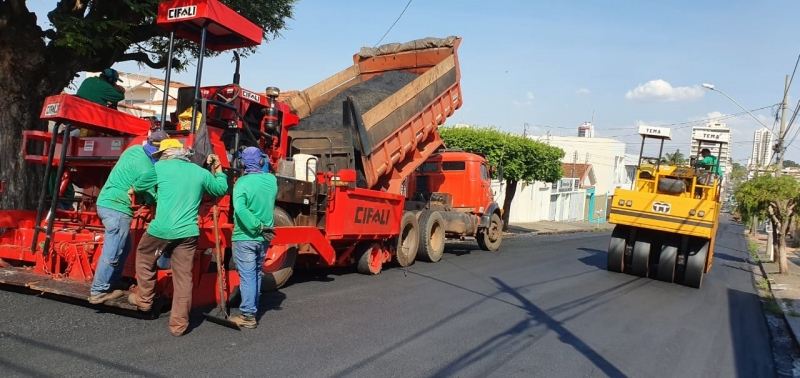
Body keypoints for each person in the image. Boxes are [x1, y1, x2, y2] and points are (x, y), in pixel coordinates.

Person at [128, 139, 228, 336]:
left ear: (166, 154)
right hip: (188, 233)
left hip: (161, 230)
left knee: (145, 257)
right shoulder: (200, 172)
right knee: (183, 278)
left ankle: (144, 300)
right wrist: (219, 169)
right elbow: (220, 189)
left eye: (161, 155)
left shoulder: (161, 168)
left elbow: (138, 186)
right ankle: (178, 326)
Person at [87, 130, 169, 304]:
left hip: (106, 201)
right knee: (114, 249)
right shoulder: (146, 167)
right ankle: (99, 290)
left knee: (124, 246)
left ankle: (113, 282)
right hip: (118, 207)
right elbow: (150, 196)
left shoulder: (133, 151)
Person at [230, 147, 278, 329]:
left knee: (248, 275)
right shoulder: (271, 181)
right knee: (256, 272)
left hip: (246, 236)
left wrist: (255, 226)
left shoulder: (241, 183)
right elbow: (269, 171)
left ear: (242, 163)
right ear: (261, 162)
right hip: (264, 237)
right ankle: (253, 308)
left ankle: (248, 316)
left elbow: (240, 209)